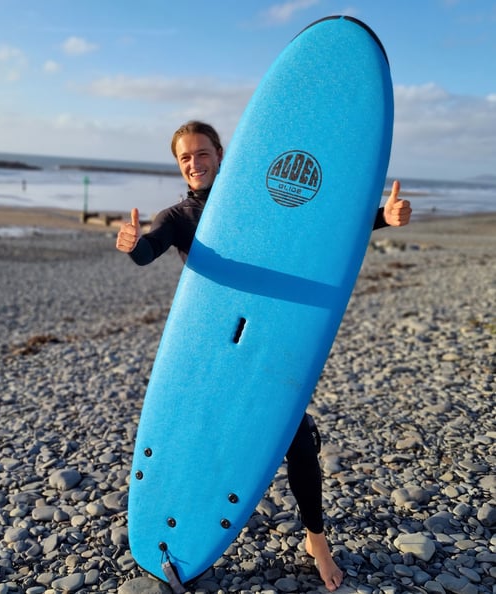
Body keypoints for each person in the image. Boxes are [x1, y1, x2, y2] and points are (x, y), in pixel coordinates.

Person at [116, 121, 412, 591]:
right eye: (185, 158)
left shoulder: (262, 197)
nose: (195, 164)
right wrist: (134, 247)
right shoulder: (177, 216)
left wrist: (381, 217)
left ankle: (317, 541)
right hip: (211, 345)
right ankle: (184, 529)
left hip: (269, 335)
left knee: (295, 437)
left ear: (220, 153)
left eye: (202, 153)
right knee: (200, 432)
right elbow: (150, 248)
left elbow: (320, 227)